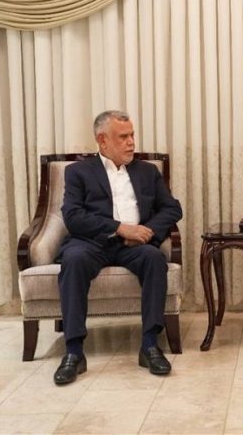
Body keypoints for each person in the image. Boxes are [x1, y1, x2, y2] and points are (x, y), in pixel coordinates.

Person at [53, 110, 182, 385]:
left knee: (154, 259)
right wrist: (119, 228)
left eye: (132, 135)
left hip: (133, 246)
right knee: (73, 261)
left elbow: (172, 208)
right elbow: (73, 216)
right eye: (123, 137)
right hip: (91, 243)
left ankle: (150, 345)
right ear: (102, 140)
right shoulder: (78, 172)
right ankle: (74, 351)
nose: (131, 142)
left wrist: (146, 232)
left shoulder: (147, 171)